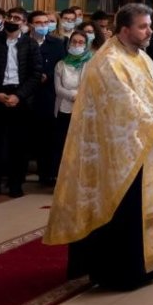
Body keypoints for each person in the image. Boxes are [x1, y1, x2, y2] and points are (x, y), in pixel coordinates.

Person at [45, 4, 153, 290]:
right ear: (125, 29)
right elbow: (123, 103)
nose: (150, 30)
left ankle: (147, 263)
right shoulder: (108, 61)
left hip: (143, 145)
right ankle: (122, 270)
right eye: (143, 26)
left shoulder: (141, 57)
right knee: (123, 209)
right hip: (116, 153)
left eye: (150, 24)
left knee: (144, 204)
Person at [0, 12, 41, 198]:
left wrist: (19, 96)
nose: (12, 21)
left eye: (17, 19)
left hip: (20, 99)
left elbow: (35, 74)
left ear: (24, 23)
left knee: (18, 145)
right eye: (10, 18)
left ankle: (15, 184)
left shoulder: (30, 44)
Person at [29, 10, 66, 185]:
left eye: (46, 22)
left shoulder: (57, 43)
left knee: (48, 137)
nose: (44, 26)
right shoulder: (24, 43)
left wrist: (48, 76)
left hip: (48, 93)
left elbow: (61, 64)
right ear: (30, 25)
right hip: (27, 94)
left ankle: (47, 174)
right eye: (39, 23)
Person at [52, 29, 90, 188]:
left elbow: (92, 86)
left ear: (86, 45)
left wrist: (80, 96)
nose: (77, 45)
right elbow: (58, 89)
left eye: (81, 42)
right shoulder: (61, 64)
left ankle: (81, 181)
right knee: (64, 146)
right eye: (74, 41)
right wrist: (72, 95)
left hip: (84, 110)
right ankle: (63, 181)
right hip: (64, 108)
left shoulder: (91, 63)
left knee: (82, 147)